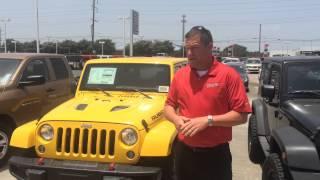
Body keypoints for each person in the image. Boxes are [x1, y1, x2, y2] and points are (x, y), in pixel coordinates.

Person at [164, 26, 251, 180]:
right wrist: (176, 119)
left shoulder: (228, 76)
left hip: (215, 156)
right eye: (187, 48)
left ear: (209, 47)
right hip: (184, 153)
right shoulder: (180, 75)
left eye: (195, 48)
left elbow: (241, 115)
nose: (189, 54)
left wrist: (208, 120)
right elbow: (168, 106)